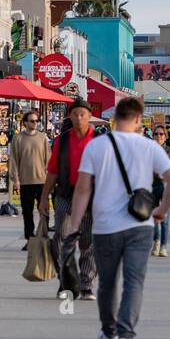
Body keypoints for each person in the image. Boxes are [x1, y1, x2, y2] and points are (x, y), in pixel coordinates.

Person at [62, 96, 170, 339]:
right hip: (140, 225)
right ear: (138, 119)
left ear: (115, 117)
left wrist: (74, 224)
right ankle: (126, 338)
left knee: (107, 282)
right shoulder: (150, 147)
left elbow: (82, 188)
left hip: (105, 226)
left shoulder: (96, 146)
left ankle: (109, 331)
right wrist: (162, 210)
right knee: (134, 282)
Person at [38, 98, 98, 300]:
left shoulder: (99, 141)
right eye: (75, 114)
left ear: (90, 117)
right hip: (65, 195)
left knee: (89, 243)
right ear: (70, 116)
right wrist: (44, 198)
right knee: (61, 240)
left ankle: (86, 284)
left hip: (91, 198)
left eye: (83, 114)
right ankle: (67, 282)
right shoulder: (62, 141)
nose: (79, 118)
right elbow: (53, 171)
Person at [10, 109, 51, 240]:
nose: (35, 123)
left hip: (42, 181)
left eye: (36, 121)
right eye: (32, 121)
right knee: (27, 212)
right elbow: (14, 160)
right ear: (25, 123)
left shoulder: (42, 138)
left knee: (44, 210)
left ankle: (43, 234)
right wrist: (15, 179)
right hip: (25, 181)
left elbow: (49, 159)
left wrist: (50, 178)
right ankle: (30, 237)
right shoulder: (18, 138)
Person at [150, 124, 170, 256]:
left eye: (161, 134)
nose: (158, 136)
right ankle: (156, 242)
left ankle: (163, 246)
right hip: (152, 187)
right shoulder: (149, 150)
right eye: (156, 134)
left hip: (166, 187)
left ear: (165, 136)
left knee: (165, 219)